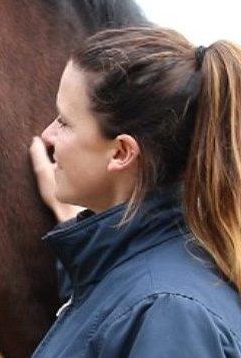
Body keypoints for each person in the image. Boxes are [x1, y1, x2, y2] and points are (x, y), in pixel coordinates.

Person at [27, 27, 241, 356]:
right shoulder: (127, 284)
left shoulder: (169, 313)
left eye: (65, 122)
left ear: (122, 153)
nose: (48, 134)